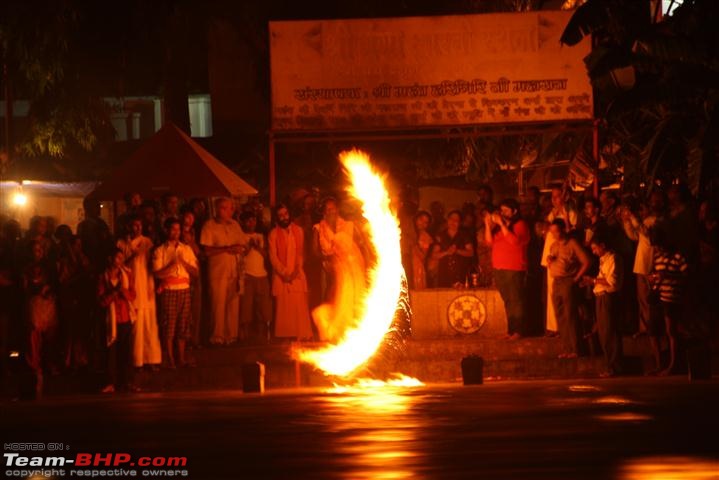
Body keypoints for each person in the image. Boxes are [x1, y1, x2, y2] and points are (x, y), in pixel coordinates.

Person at [312, 197, 366, 341]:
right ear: (324, 212)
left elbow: (359, 242)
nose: (331, 211)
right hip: (327, 266)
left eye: (333, 208)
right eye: (328, 209)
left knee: (347, 295)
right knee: (329, 294)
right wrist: (327, 259)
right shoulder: (318, 228)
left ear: (337, 209)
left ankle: (348, 329)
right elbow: (314, 251)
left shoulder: (347, 225)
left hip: (347, 266)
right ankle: (330, 329)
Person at [200, 198, 248, 346]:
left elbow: (243, 244)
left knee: (233, 303)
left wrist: (239, 250)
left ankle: (231, 336)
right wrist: (227, 249)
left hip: (234, 270)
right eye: (223, 208)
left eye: (229, 208)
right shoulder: (209, 225)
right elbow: (206, 251)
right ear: (216, 209)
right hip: (217, 271)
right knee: (218, 303)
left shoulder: (235, 225)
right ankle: (217, 337)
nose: (227, 211)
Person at [153, 218, 198, 368]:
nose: (176, 232)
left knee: (183, 326)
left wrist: (183, 263)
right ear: (167, 230)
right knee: (169, 326)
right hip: (169, 290)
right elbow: (157, 274)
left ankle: (182, 358)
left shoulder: (186, 249)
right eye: (173, 229)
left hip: (184, 290)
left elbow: (195, 271)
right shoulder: (160, 250)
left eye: (178, 230)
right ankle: (170, 359)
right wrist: (172, 265)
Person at [117, 216, 161, 370]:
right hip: (131, 287)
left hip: (146, 285)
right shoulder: (121, 244)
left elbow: (152, 265)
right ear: (129, 226)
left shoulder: (147, 242)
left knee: (149, 325)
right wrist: (133, 255)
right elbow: (120, 264)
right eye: (134, 225)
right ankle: (137, 361)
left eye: (139, 225)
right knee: (136, 326)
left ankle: (152, 359)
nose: (137, 228)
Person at [483, 198, 530, 339]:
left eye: (506, 210)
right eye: (501, 210)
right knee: (508, 300)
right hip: (499, 268)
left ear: (514, 211)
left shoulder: (520, 224)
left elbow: (515, 242)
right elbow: (489, 242)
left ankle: (518, 331)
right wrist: (487, 224)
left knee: (516, 299)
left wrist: (502, 225)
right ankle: (511, 330)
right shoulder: (498, 228)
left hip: (514, 268)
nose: (502, 213)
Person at [547, 219, 591, 359]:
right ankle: (567, 348)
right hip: (556, 282)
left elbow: (586, 261)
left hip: (568, 282)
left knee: (570, 315)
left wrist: (576, 279)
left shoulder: (572, 243)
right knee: (560, 316)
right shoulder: (553, 245)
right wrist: (550, 261)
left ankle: (576, 349)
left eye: (557, 231)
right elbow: (552, 262)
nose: (555, 234)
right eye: (552, 231)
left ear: (563, 230)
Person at [622, 191, 664, 335]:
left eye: (642, 208)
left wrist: (632, 217)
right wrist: (626, 221)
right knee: (642, 299)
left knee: (649, 299)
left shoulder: (656, 220)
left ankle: (652, 329)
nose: (641, 211)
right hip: (641, 265)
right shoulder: (646, 221)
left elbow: (645, 233)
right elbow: (635, 236)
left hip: (650, 264)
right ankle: (645, 328)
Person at [648, 227, 689, 375]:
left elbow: (687, 276)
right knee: (653, 331)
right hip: (658, 297)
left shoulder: (678, 257)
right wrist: (652, 279)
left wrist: (669, 276)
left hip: (671, 298)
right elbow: (655, 275)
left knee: (671, 331)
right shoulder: (657, 258)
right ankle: (659, 365)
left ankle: (673, 365)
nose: (657, 248)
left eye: (659, 245)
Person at [268, 204, 313, 340]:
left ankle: (301, 336)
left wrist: (296, 271)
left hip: (297, 274)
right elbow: (273, 257)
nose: (284, 217)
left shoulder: (298, 231)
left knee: (299, 306)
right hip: (282, 276)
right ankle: (285, 337)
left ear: (289, 214)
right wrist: (284, 273)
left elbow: (300, 254)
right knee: (284, 309)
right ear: (277, 217)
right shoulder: (273, 234)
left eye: (285, 214)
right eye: (280, 215)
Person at [584, 234, 624, 377]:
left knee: (609, 333)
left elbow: (612, 283)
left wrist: (593, 281)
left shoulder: (613, 259)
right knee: (603, 334)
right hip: (600, 297)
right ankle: (610, 365)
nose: (594, 251)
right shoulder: (603, 259)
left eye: (595, 248)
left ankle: (615, 367)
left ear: (603, 245)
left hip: (608, 297)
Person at [98, 248, 136, 393]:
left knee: (126, 352)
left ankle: (127, 382)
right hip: (111, 319)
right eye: (116, 257)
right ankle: (111, 383)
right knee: (110, 354)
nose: (119, 260)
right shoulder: (104, 277)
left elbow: (133, 295)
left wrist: (123, 292)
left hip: (125, 317)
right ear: (110, 259)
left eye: (121, 258)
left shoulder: (127, 274)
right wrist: (114, 293)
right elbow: (101, 301)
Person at [541, 186, 578, 335]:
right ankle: (553, 326)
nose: (554, 199)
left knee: (562, 295)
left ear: (564, 196)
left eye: (557, 196)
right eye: (552, 197)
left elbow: (572, 231)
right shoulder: (552, 213)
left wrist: (565, 218)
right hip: (551, 254)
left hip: (562, 257)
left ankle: (563, 328)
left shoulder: (571, 212)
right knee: (551, 291)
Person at [24, 240, 59, 385]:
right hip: (34, 305)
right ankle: (33, 366)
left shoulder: (49, 267)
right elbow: (25, 287)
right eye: (34, 250)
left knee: (50, 337)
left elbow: (56, 283)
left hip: (48, 306)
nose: (37, 253)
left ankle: (47, 364)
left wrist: (48, 289)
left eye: (39, 250)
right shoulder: (26, 268)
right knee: (33, 336)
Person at [239, 211, 272, 343]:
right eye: (248, 221)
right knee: (246, 307)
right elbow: (241, 255)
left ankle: (263, 333)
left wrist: (257, 247)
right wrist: (248, 247)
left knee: (263, 306)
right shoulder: (240, 236)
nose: (251, 223)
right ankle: (245, 334)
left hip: (262, 275)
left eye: (253, 220)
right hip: (247, 275)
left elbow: (266, 255)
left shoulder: (261, 236)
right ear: (243, 222)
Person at [180, 208, 203, 347]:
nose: (188, 220)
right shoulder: (175, 232)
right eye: (186, 216)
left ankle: (194, 339)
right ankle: (184, 339)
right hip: (182, 274)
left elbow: (200, 253)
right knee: (184, 310)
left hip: (195, 274)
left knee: (196, 308)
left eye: (191, 217)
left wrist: (191, 242)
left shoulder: (196, 233)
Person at [433, 210, 474, 288]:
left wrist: (457, 251)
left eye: (456, 220)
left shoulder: (465, 235)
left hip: (461, 271)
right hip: (445, 273)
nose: (453, 222)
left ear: (460, 223)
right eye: (451, 219)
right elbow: (434, 255)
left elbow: (471, 252)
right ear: (448, 220)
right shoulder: (440, 236)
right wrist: (446, 252)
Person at [412, 211, 433, 290]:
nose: (422, 223)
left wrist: (414, 245)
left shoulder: (425, 237)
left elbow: (423, 256)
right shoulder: (410, 232)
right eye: (421, 219)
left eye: (425, 222)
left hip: (417, 269)